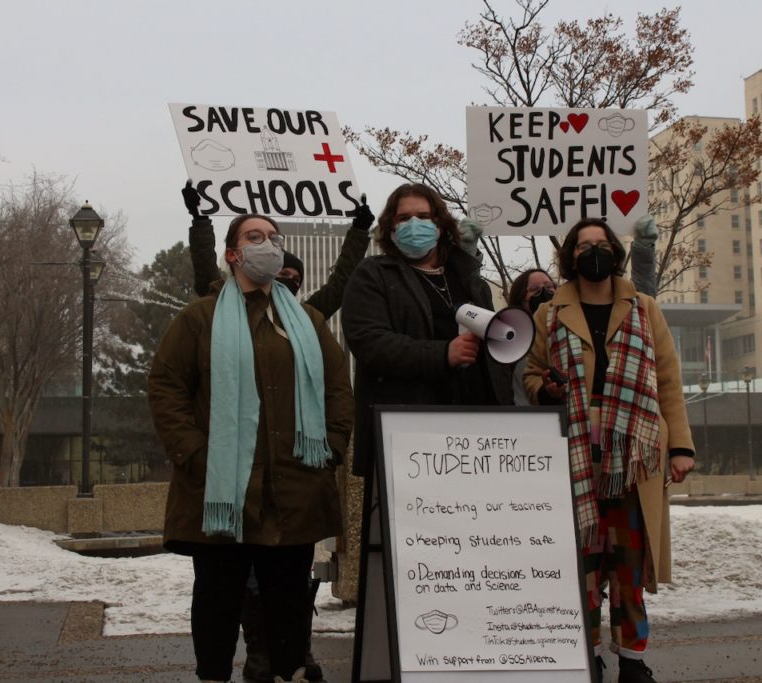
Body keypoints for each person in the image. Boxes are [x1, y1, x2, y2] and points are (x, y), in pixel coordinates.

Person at [148, 213, 354, 683]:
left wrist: (333, 446)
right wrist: (195, 454)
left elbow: (338, 388)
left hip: (295, 485)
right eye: (254, 237)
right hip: (222, 485)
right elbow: (166, 387)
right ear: (232, 254)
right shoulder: (199, 317)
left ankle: (287, 672)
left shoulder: (306, 319)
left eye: (273, 238)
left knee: (287, 600)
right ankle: (214, 675)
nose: (268, 244)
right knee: (218, 598)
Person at [524, 217, 695, 683]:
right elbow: (532, 373)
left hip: (635, 452)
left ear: (615, 253)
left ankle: (633, 660)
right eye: (584, 245)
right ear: (570, 255)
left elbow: (668, 380)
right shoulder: (550, 313)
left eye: (601, 244)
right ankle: (588, 653)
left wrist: (680, 446)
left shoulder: (644, 307)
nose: (593, 252)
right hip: (574, 451)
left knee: (628, 561)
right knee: (582, 560)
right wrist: (547, 390)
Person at [341, 182, 512, 477]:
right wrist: (443, 354)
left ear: (440, 225)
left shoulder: (469, 279)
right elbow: (370, 342)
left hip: (476, 428)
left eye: (424, 216)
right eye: (404, 218)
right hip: (410, 432)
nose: (414, 224)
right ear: (390, 229)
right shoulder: (373, 274)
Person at [182, 180, 374, 316]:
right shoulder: (219, 307)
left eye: (296, 279)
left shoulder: (303, 317)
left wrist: (359, 230)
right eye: (284, 274)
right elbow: (205, 268)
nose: (291, 281)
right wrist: (200, 219)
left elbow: (339, 286)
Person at [506, 269, 557, 405]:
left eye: (548, 287)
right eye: (534, 289)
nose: (544, 292)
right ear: (521, 299)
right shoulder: (511, 347)